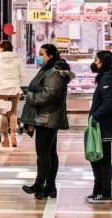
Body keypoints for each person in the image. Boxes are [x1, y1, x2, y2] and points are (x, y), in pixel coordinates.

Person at [20, 44, 74, 199]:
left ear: (50, 56)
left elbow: (47, 95)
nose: (39, 56)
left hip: (48, 117)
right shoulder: (49, 69)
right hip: (45, 116)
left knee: (43, 153)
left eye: (42, 54)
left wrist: (29, 96)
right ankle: (49, 187)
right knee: (49, 153)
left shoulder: (55, 72)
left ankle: (39, 184)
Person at [87, 50, 112, 204]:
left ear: (103, 62)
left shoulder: (107, 79)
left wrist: (95, 116)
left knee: (103, 160)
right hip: (99, 125)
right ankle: (97, 191)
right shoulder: (105, 78)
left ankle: (106, 193)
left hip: (104, 126)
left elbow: (109, 103)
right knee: (96, 158)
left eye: (97, 60)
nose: (95, 62)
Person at [0, 40, 25, 148]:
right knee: (13, 112)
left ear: (2, 48)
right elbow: (22, 74)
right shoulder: (17, 58)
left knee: (2, 113)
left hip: (2, 88)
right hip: (14, 89)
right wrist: (17, 83)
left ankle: (5, 138)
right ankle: (13, 136)